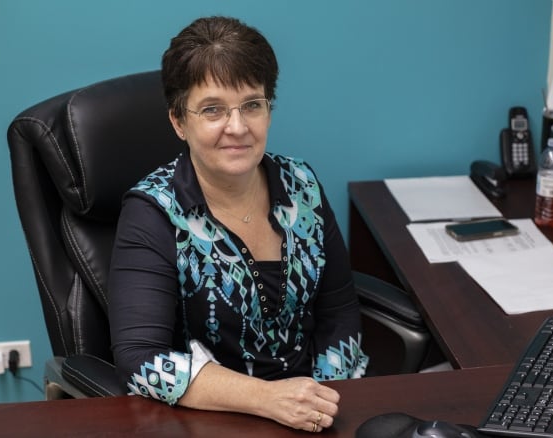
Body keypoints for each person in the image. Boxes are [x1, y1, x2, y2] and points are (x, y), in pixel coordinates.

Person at [107, 16, 369, 433]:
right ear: (179, 121)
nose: (238, 127)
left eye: (252, 105)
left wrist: (320, 398)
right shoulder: (154, 211)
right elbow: (142, 358)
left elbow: (338, 310)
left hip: (312, 411)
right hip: (212, 420)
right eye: (213, 109)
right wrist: (269, 399)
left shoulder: (302, 187)